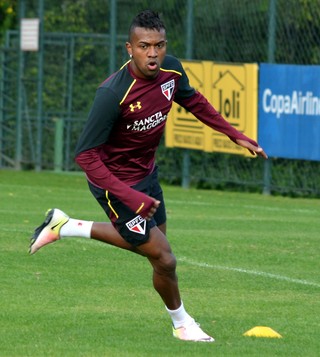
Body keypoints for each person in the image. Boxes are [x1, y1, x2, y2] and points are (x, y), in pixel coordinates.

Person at [29, 10, 268, 342]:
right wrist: (129, 197)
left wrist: (234, 135)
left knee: (156, 252)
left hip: (146, 176)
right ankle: (182, 324)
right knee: (164, 257)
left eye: (158, 45)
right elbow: (85, 156)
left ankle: (66, 226)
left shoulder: (172, 70)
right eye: (144, 46)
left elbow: (193, 100)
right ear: (130, 48)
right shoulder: (112, 94)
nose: (153, 53)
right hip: (113, 182)